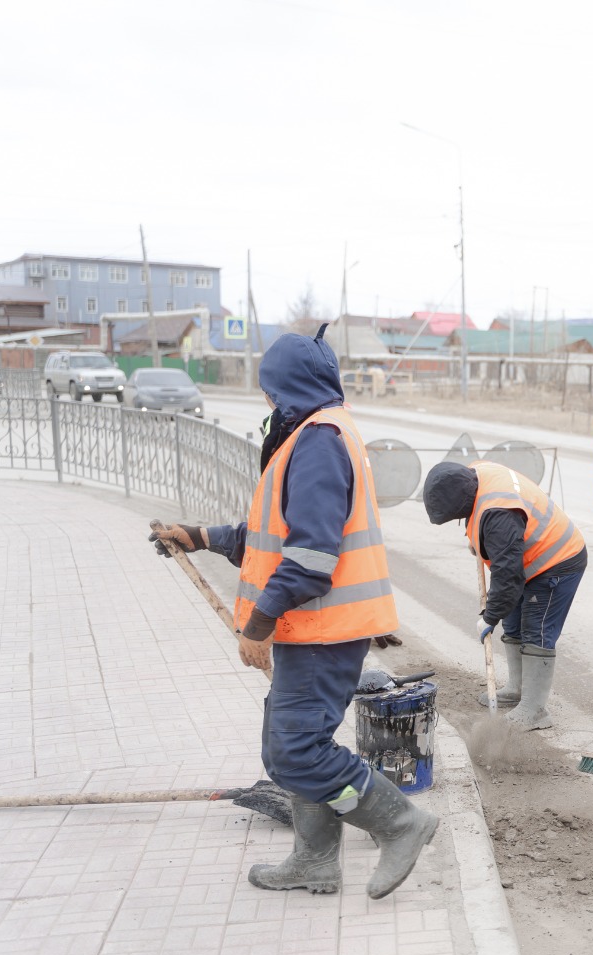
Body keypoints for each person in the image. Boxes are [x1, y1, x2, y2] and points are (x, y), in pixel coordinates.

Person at [148, 327, 436, 900]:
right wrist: (198, 535)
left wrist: (256, 626)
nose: (266, 403)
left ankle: (399, 823)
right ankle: (314, 860)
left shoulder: (319, 442)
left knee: (296, 752)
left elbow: (308, 561)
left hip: (322, 630)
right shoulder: (314, 435)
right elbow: (269, 539)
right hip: (316, 629)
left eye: (270, 392)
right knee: (294, 746)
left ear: (290, 390)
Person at [421, 459, 586, 729]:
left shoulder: (499, 513)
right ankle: (518, 688)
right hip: (528, 557)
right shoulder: (475, 473)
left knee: (537, 629)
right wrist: (477, 539)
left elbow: (508, 575)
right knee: (513, 620)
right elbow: (484, 525)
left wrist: (489, 617)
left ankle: (535, 710)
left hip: (557, 560)